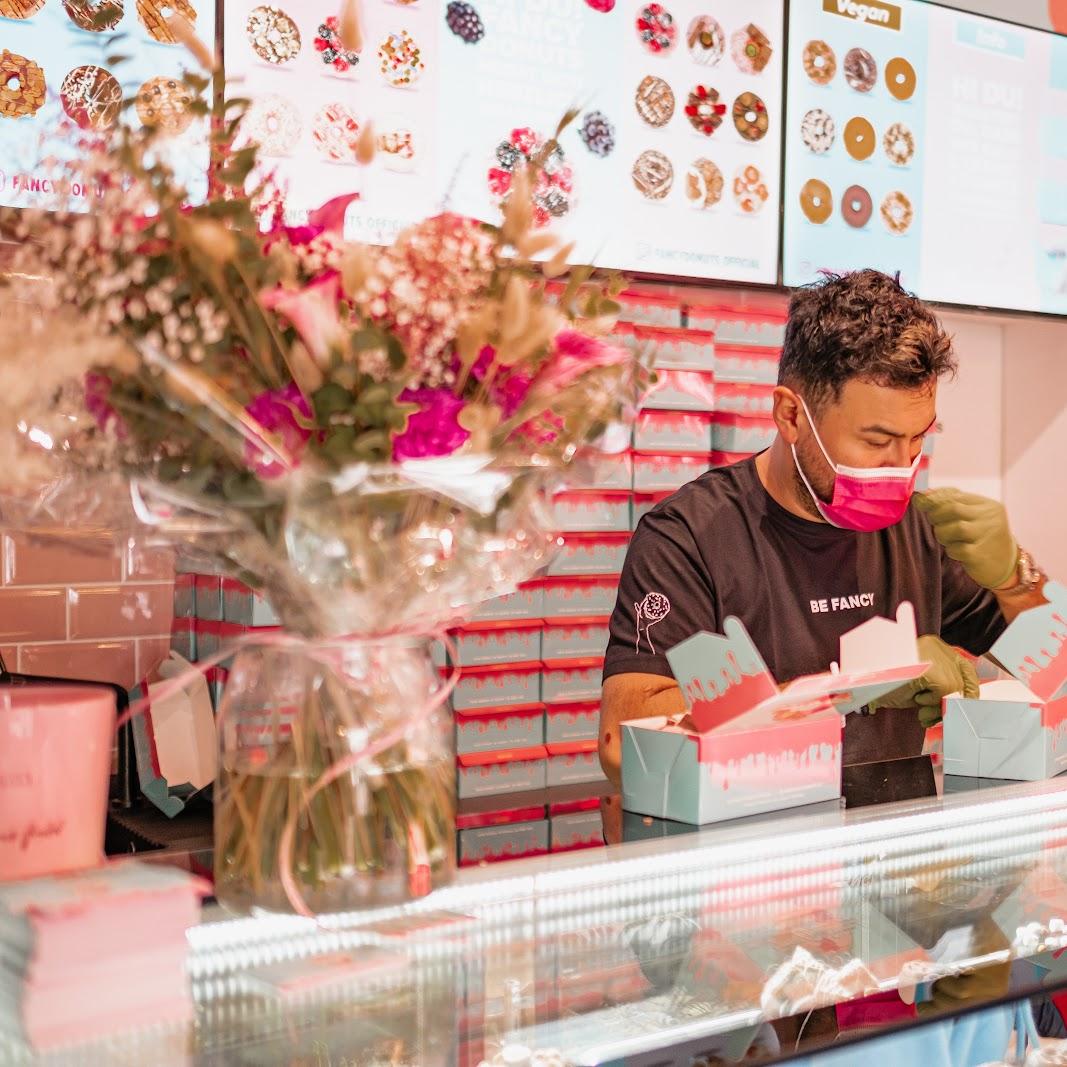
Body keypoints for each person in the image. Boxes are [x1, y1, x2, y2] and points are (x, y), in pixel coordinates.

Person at [600, 269, 1048, 785]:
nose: (902, 466)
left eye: (917, 439)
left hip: (889, 849)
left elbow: (1058, 672)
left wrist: (1017, 576)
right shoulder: (689, 537)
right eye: (876, 441)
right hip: (751, 847)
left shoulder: (922, 532)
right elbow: (623, 741)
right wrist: (855, 684)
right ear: (790, 415)